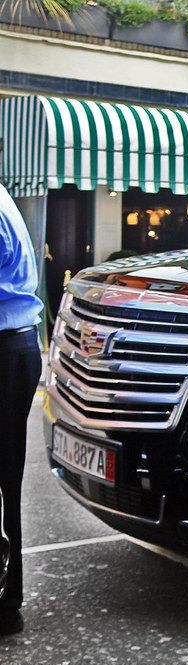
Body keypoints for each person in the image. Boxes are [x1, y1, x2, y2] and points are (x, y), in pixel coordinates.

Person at [0, 182, 43, 637]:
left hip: (5, 348)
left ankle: (6, 601)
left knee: (4, 481)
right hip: (14, 346)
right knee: (5, 480)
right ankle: (7, 600)